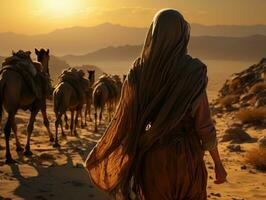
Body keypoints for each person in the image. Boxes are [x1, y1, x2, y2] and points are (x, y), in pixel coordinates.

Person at [85, 9, 227, 200]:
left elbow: (126, 120)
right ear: (182, 34)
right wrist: (217, 163)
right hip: (187, 159)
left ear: (154, 33)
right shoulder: (192, 72)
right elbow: (204, 126)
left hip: (153, 158)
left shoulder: (138, 71)